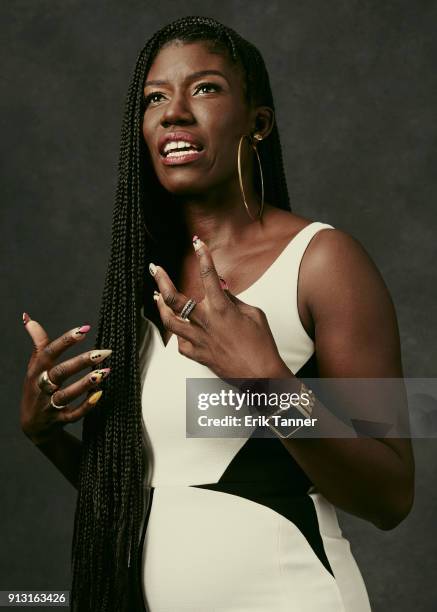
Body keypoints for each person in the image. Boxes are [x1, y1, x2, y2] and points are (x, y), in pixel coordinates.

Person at [20, 16, 415, 612]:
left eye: (204, 88)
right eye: (155, 97)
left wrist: (269, 385)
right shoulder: (140, 283)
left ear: (258, 124)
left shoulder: (323, 263)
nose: (174, 112)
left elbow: (391, 494)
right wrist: (47, 438)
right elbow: (157, 496)